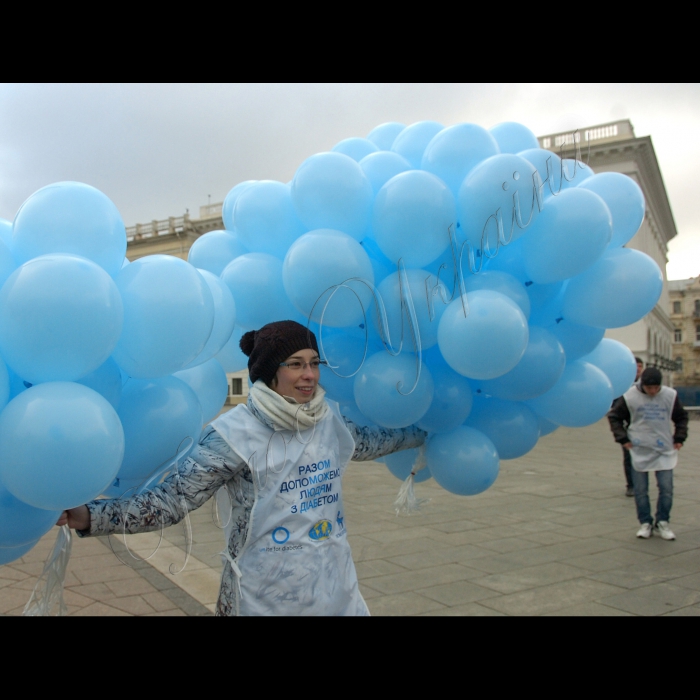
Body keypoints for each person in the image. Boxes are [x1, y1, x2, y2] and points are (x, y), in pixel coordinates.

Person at [58, 320, 427, 615]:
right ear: (270, 372)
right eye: (296, 364)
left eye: (314, 363)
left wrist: (428, 430)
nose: (309, 375)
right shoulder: (233, 434)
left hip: (335, 589)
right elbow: (170, 502)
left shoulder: (328, 421)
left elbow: (375, 442)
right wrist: (91, 515)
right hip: (262, 595)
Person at [608, 367, 688, 540]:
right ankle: (645, 522)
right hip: (639, 447)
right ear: (642, 385)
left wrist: (679, 437)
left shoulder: (670, 395)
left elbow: (681, 417)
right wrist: (623, 438)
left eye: (656, 388)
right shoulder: (629, 396)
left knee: (666, 488)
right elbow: (614, 416)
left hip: (664, 447)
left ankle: (663, 521)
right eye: (649, 388)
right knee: (641, 490)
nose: (652, 392)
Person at [611, 356, 644, 497]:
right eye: (636, 366)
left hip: (646, 427)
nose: (638, 369)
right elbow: (615, 409)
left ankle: (642, 483)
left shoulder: (647, 384)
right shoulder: (623, 384)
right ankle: (631, 485)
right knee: (629, 457)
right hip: (629, 427)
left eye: (640, 366)